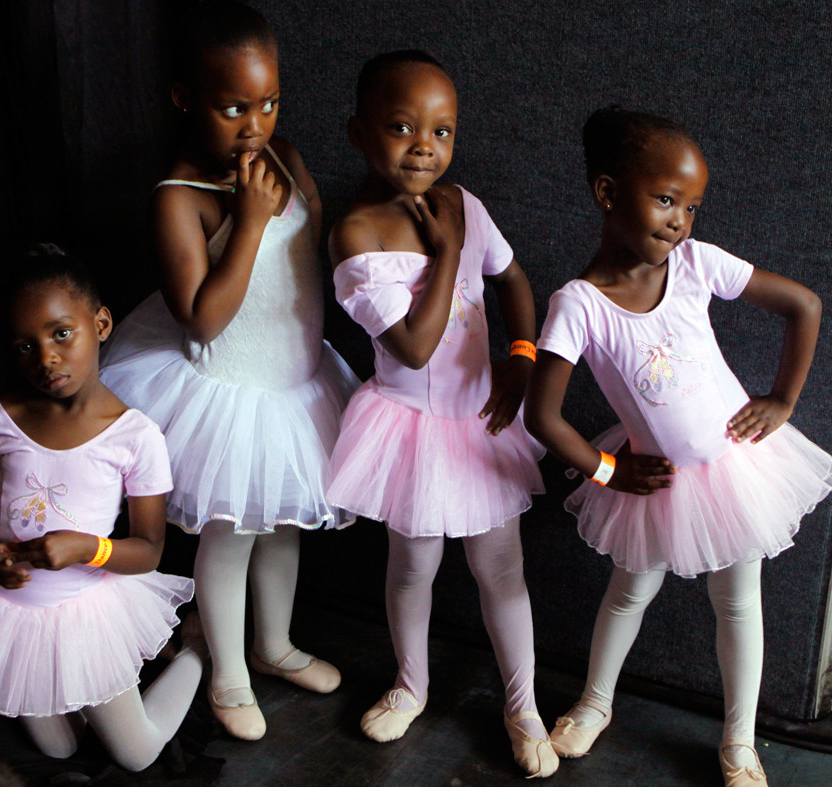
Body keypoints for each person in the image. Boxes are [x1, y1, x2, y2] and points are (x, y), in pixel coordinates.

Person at [524, 106, 831, 787]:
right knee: (629, 592)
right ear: (608, 192)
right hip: (653, 481)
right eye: (665, 199)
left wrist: (781, 399)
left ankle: (740, 741)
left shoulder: (696, 264)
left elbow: (803, 305)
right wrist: (607, 469)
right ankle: (594, 702)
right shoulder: (580, 303)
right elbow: (542, 415)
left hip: (734, 470)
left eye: (691, 206)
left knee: (738, 601)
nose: (679, 221)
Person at [98, 1, 358, 741]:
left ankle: (272, 645)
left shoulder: (285, 156)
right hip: (226, 391)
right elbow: (202, 318)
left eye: (269, 102)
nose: (255, 124)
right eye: (233, 107)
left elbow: (309, 250)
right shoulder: (180, 197)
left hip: (295, 379)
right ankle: (227, 673)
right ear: (185, 98)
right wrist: (247, 222)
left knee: (283, 525)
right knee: (232, 531)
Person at [326, 51, 557, 778]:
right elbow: (417, 350)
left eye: (443, 130)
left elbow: (514, 279)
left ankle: (522, 705)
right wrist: (448, 251)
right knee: (413, 564)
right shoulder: (355, 235)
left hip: (481, 421)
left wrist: (520, 356)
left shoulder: (466, 204)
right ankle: (411, 684)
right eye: (401, 127)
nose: (425, 145)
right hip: (410, 428)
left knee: (502, 568)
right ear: (359, 133)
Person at [0, 246, 203, 772]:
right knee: (59, 749)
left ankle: (196, 655)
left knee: (137, 755)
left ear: (100, 323)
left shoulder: (135, 437)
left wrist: (86, 549)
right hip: (7, 614)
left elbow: (149, 550)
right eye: (25, 345)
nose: (44, 358)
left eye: (60, 334)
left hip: (85, 611)